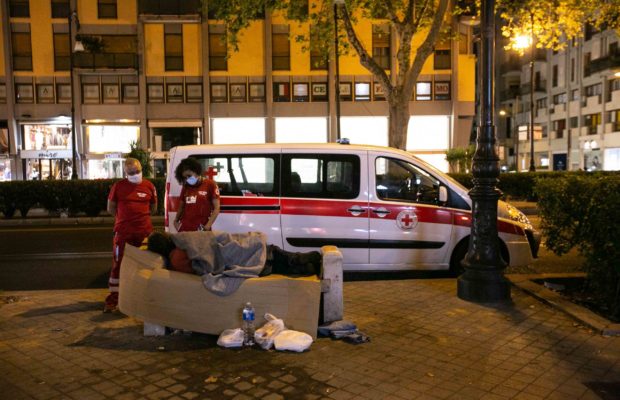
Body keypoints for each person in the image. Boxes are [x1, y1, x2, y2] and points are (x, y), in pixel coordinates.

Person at [104, 157, 157, 313]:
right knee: (118, 265)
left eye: (137, 171)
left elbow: (153, 208)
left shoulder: (149, 186)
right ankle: (113, 301)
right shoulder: (118, 187)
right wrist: (124, 219)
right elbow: (111, 208)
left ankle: (140, 299)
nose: (135, 174)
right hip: (123, 234)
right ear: (125, 173)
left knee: (144, 266)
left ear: (142, 170)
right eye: (131, 172)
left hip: (144, 232)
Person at [173, 157, 220, 232]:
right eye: (185, 178)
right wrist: (175, 221)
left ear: (196, 171)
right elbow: (181, 207)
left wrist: (207, 226)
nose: (187, 179)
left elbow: (216, 208)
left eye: (189, 175)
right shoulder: (186, 187)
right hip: (185, 229)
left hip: (202, 229)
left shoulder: (210, 185)